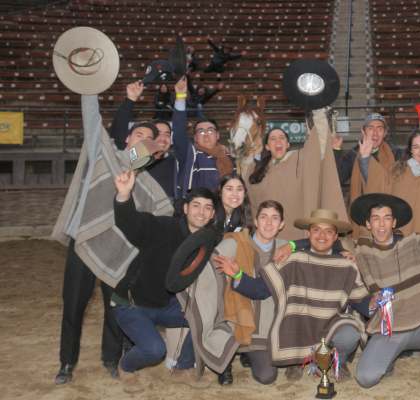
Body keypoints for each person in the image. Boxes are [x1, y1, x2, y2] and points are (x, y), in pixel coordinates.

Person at [51, 93, 173, 385]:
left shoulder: (149, 185)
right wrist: (89, 86)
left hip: (121, 255)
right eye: (139, 134)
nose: (143, 139)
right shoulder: (106, 155)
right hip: (85, 242)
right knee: (73, 307)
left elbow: (164, 219)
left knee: (114, 310)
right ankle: (67, 363)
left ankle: (110, 359)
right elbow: (92, 121)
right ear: (128, 138)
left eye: (150, 138)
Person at [219, 209, 370, 381]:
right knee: (289, 326)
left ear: (336, 237)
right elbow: (260, 290)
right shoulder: (292, 260)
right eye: (316, 230)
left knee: (350, 334)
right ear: (308, 234)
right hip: (299, 323)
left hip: (331, 323)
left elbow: (360, 300)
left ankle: (338, 361)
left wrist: (378, 304)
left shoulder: (346, 265)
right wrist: (238, 275)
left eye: (329, 231)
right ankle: (298, 362)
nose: (322, 236)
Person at [111, 170, 215, 392]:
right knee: (155, 350)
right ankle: (126, 367)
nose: (201, 212)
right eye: (196, 205)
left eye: (208, 207)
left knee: (207, 320)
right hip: (131, 303)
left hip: (166, 306)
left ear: (213, 214)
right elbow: (131, 224)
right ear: (185, 209)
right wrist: (123, 196)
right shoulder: (162, 227)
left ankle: (183, 368)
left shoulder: (206, 242)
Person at [348, 193, 420, 389]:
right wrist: (371, 303)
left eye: (387, 218)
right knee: (366, 378)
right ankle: (389, 356)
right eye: (376, 219)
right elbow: (322, 241)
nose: (381, 225)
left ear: (394, 222)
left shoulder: (414, 245)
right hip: (389, 328)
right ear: (367, 224)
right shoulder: (360, 254)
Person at [210, 200, 287, 386]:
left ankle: (247, 353)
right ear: (256, 221)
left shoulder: (285, 248)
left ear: (282, 224)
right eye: (264, 217)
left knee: (267, 376)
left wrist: (292, 245)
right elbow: (211, 258)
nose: (269, 223)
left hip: (270, 327)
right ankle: (230, 357)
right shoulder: (237, 243)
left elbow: (315, 242)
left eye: (275, 218)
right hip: (239, 320)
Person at [246, 109, 348, 240]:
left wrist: (318, 115)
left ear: (288, 144)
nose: (278, 141)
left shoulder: (299, 158)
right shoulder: (255, 170)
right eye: (273, 139)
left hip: (296, 234)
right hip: (268, 234)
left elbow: (318, 146)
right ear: (266, 146)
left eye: (282, 138)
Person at [360, 129, 420, 236]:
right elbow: (380, 184)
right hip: (403, 236)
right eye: (416, 147)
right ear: (411, 151)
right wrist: (366, 159)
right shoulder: (398, 170)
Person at [110, 79, 185, 199]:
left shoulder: (175, 162)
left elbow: (181, 130)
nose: (163, 138)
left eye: (167, 134)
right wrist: (130, 100)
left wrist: (180, 97)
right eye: (157, 133)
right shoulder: (132, 158)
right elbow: (117, 134)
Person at [335, 113, 402, 206]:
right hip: (362, 208)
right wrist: (336, 151)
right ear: (363, 131)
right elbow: (337, 179)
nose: (375, 133)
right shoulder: (353, 154)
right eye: (370, 128)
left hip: (388, 206)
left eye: (380, 129)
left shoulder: (395, 153)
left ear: (385, 133)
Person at [174, 115, 234, 198]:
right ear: (195, 138)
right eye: (201, 131)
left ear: (217, 135)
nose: (206, 134)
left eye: (210, 131)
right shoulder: (189, 155)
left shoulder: (230, 156)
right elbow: (179, 134)